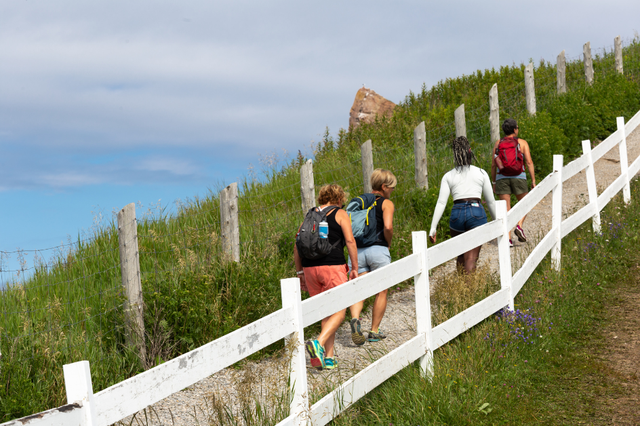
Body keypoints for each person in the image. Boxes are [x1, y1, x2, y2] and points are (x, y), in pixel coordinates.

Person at [294, 184, 358, 370]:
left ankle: (328, 358)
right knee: (339, 310)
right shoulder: (340, 213)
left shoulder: (309, 216)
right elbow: (350, 240)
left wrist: (300, 273)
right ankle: (318, 343)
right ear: (339, 199)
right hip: (332, 266)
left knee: (325, 311)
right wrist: (354, 267)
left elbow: (297, 245)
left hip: (309, 268)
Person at [429, 136, 497, 274]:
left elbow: (441, 202)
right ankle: (469, 291)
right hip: (476, 212)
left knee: (460, 255)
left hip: (457, 214)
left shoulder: (448, 176)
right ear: (470, 151)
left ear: (454, 154)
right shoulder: (481, 173)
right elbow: (490, 201)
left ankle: (460, 291)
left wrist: (433, 227)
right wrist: (498, 221)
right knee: (471, 258)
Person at [347, 169, 396, 346]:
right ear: (383, 187)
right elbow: (388, 227)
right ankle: (374, 331)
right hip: (378, 248)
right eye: (391, 188)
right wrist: (388, 243)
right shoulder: (386, 203)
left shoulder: (359, 201)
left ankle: (355, 319)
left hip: (356, 251)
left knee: (359, 288)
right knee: (382, 289)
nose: (392, 191)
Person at [491, 118, 536, 246]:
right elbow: (529, 162)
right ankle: (519, 225)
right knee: (526, 203)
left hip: (501, 178)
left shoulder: (498, 144)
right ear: (515, 129)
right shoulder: (522, 143)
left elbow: (494, 165)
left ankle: (508, 239)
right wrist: (533, 180)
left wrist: (494, 182)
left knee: (506, 209)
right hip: (519, 177)